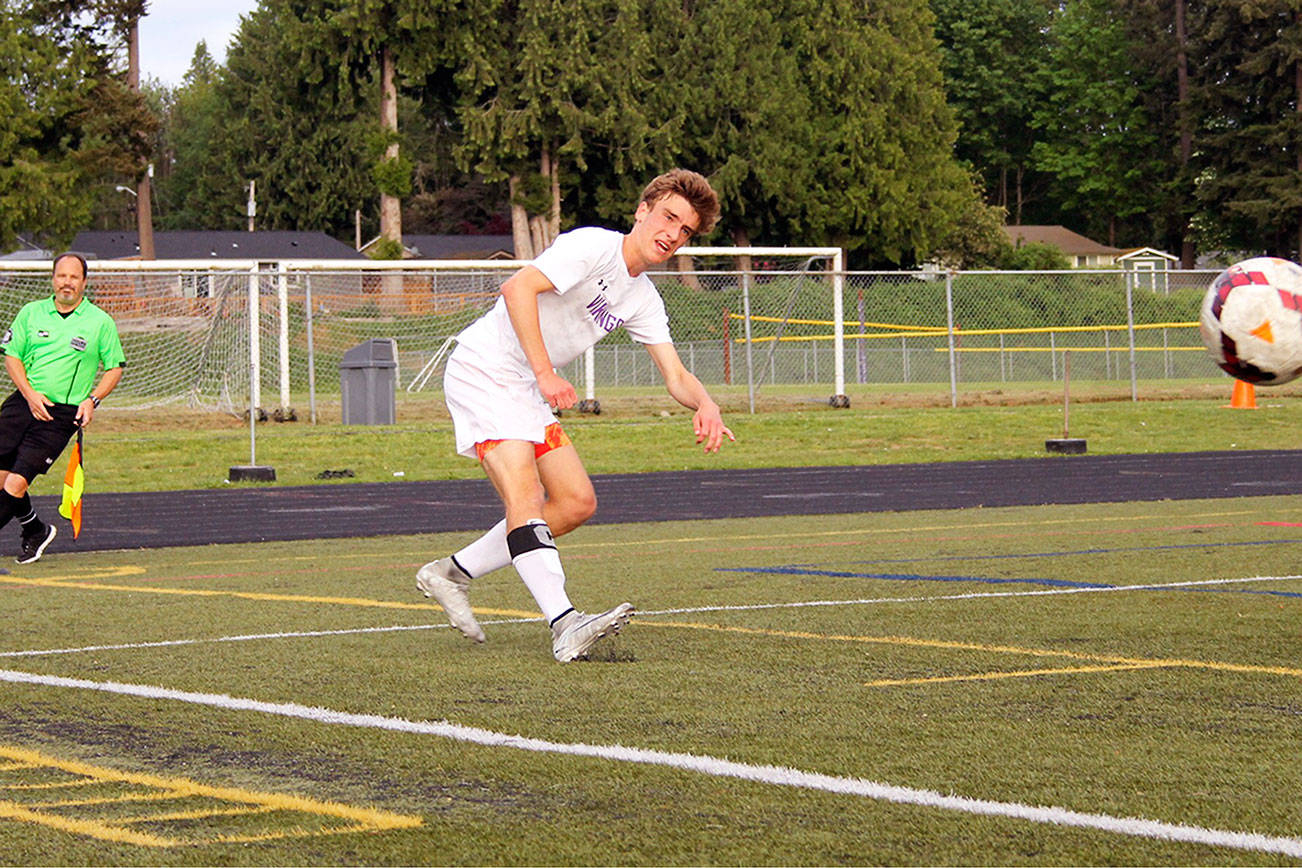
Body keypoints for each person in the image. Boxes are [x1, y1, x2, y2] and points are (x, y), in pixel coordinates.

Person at [417, 169, 734, 662]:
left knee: (575, 502)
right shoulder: (592, 247)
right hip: (485, 371)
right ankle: (565, 624)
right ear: (642, 211)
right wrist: (545, 373)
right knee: (526, 495)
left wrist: (707, 402)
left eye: (686, 230)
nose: (673, 234)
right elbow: (516, 289)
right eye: (669, 217)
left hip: (524, 388)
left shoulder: (644, 297)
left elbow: (675, 375)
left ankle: (449, 572)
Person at [0, 252, 125, 563]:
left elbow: (115, 367)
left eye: (73, 277)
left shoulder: (100, 322)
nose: (67, 282)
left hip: (61, 414)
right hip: (23, 402)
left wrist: (93, 399)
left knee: (16, 482)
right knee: (1, 478)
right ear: (53, 279)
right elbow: (12, 356)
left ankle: (34, 530)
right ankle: (35, 529)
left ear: (84, 282)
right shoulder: (31, 313)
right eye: (61, 276)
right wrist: (29, 394)